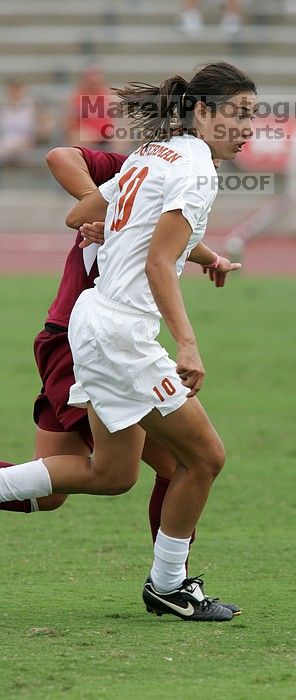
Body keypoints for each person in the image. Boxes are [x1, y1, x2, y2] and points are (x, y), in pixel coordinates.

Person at [0, 61, 257, 622]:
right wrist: (187, 343)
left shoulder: (153, 154)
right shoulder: (197, 171)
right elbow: (160, 261)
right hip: (119, 333)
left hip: (90, 321)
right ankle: (169, 586)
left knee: (113, 475)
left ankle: (169, 585)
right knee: (204, 457)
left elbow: (79, 213)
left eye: (252, 116)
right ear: (203, 112)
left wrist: (109, 224)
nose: (247, 127)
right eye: (238, 114)